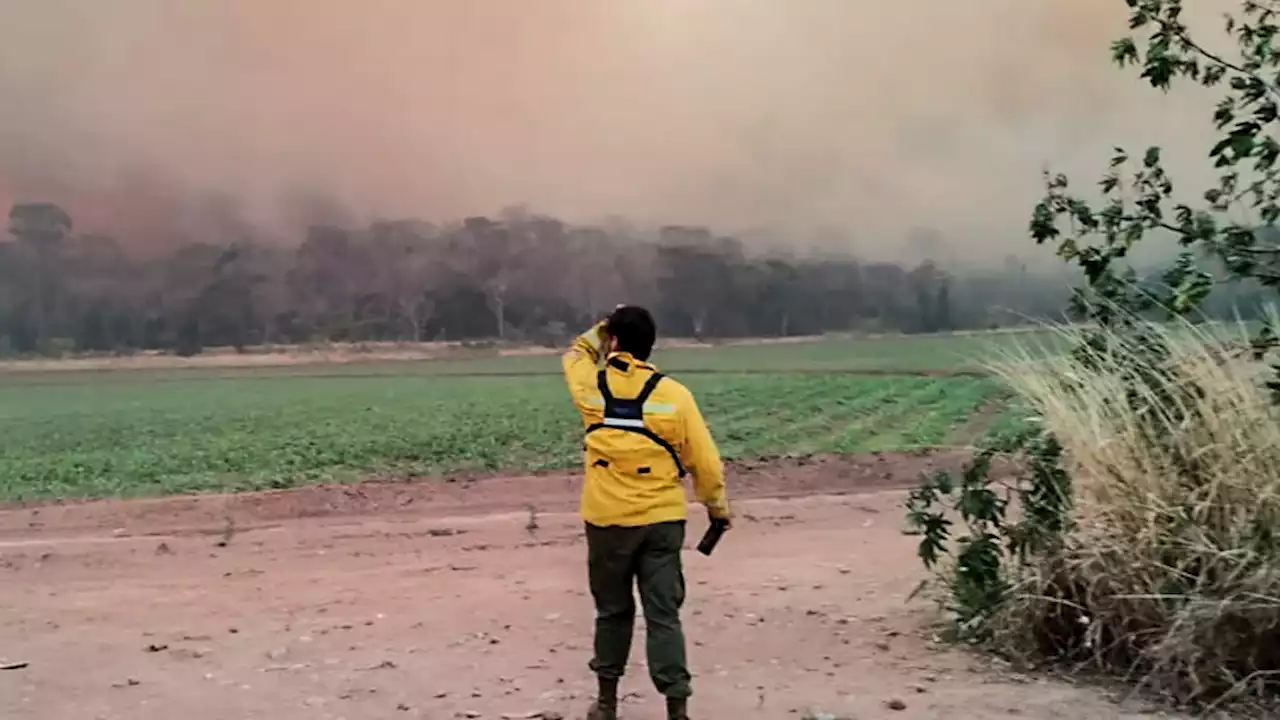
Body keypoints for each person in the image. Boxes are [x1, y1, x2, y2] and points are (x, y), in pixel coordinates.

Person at [561, 305, 731, 720]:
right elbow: (705, 462)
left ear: (614, 342)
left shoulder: (591, 389)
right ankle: (677, 709)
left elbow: (574, 354)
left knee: (612, 612)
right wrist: (716, 509)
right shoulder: (674, 395)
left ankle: (606, 705)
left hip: (606, 521)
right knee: (663, 615)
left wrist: (605, 324)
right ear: (651, 346)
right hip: (661, 521)